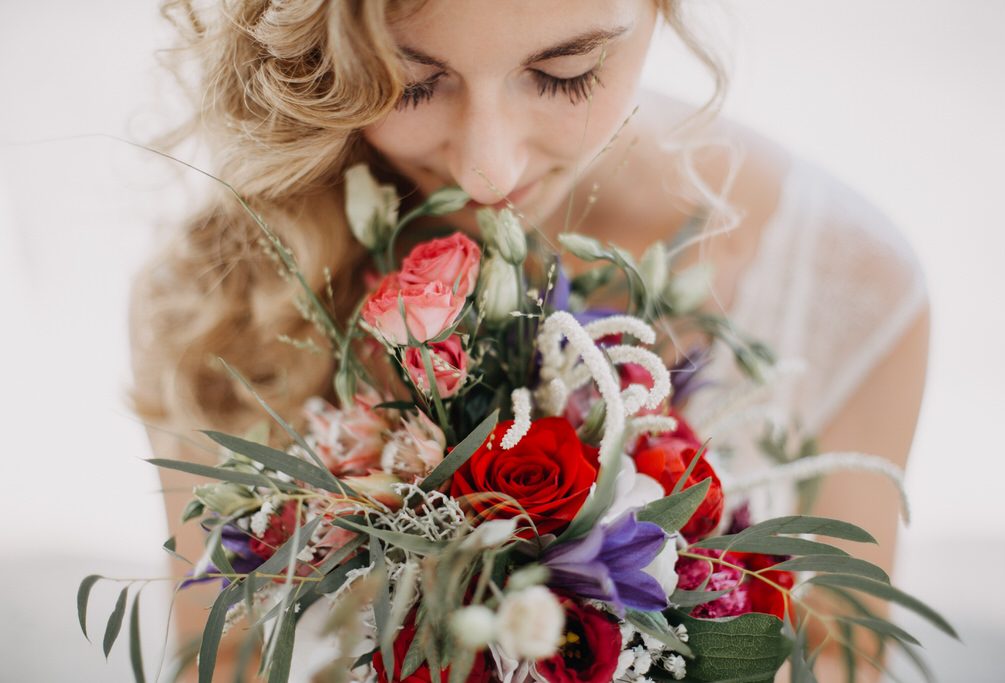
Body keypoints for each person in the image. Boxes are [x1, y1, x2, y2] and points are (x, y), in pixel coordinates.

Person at [131, 1, 929, 681]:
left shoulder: (845, 288)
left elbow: (840, 656)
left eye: (568, 71)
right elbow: (223, 653)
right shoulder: (226, 294)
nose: (487, 170)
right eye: (409, 82)